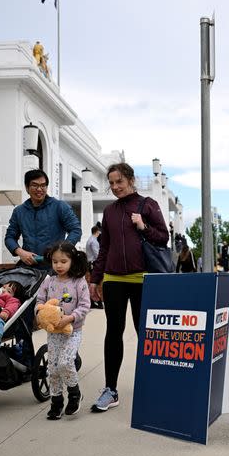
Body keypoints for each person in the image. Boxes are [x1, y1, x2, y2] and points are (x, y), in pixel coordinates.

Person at [89, 162, 169, 413]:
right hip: (113, 279)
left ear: (131, 180)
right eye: (111, 183)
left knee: (144, 332)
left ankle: (152, 383)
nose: (115, 187)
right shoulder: (110, 212)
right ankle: (110, 390)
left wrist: (143, 225)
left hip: (142, 279)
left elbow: (163, 237)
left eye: (119, 182)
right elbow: (104, 248)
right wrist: (95, 279)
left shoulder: (148, 205)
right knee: (113, 333)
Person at [35, 241, 91, 420]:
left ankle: (74, 394)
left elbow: (84, 305)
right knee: (52, 368)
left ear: (72, 261)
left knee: (66, 362)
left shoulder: (79, 282)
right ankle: (56, 401)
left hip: (72, 331)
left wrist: (71, 317)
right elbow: (39, 301)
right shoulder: (48, 282)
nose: (58, 265)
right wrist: (39, 313)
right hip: (53, 333)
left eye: (63, 261)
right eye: (55, 261)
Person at [5, 169, 81, 271]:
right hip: (28, 267)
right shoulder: (19, 211)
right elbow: (9, 237)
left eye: (43, 185)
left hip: (54, 267)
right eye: (35, 185)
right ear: (27, 188)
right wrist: (20, 252)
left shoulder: (60, 207)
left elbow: (76, 230)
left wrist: (61, 250)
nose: (39, 189)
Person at [85, 225, 104, 309]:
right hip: (94, 264)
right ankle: (98, 301)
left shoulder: (90, 239)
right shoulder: (94, 241)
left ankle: (93, 301)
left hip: (90, 263)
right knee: (95, 283)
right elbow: (97, 254)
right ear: (97, 231)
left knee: (92, 282)